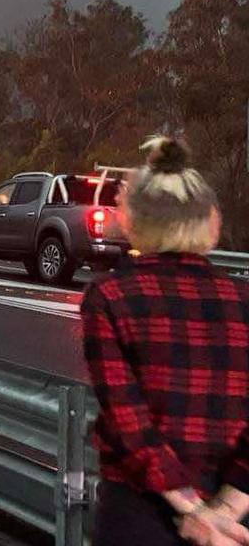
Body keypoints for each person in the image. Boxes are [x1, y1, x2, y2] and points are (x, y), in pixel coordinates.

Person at [83, 137, 249, 546]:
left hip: (139, 513)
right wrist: (225, 511)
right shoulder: (242, 301)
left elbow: (129, 423)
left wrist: (193, 511)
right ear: (211, 222)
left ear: (132, 221)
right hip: (236, 518)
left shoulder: (110, 296)